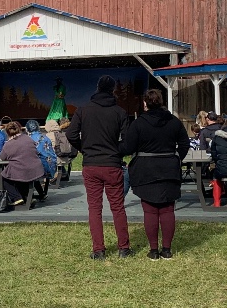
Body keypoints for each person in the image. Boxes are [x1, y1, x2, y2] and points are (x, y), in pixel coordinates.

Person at [65, 75, 131, 260]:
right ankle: (123, 248)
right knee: (117, 207)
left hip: (91, 164)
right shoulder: (119, 112)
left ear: (97, 88)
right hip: (112, 165)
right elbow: (127, 141)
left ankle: (99, 250)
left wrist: (83, 148)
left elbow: (71, 134)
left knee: (95, 209)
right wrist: (117, 152)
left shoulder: (83, 110)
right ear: (112, 90)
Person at [119, 89, 189, 260]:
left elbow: (128, 147)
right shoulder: (174, 122)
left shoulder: (138, 124)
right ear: (161, 102)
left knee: (150, 211)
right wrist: (177, 158)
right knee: (167, 210)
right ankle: (167, 250)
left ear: (145, 104)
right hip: (169, 168)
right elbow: (185, 143)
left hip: (145, 170)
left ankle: (153, 250)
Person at [0, 121, 47, 207]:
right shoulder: (28, 138)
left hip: (22, 170)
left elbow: (2, 157)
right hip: (36, 168)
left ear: (7, 132)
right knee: (19, 176)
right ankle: (27, 197)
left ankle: (17, 198)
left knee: (5, 177)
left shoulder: (8, 144)